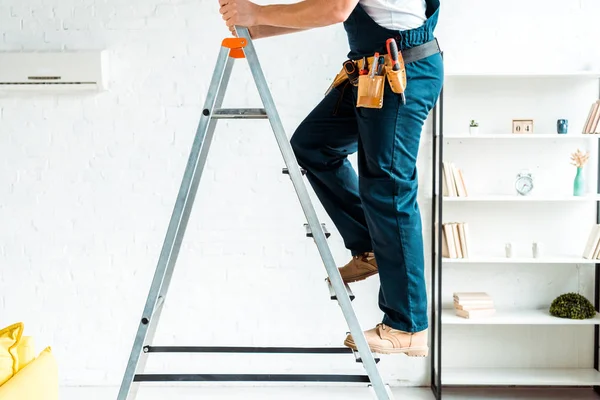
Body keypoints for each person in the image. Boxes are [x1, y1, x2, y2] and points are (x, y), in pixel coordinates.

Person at [219, 0, 444, 357]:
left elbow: (335, 8)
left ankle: (408, 326)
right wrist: (259, 27)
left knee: (389, 190)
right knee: (314, 145)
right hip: (370, 70)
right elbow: (325, 9)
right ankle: (368, 245)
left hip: (401, 70)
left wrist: (257, 13)